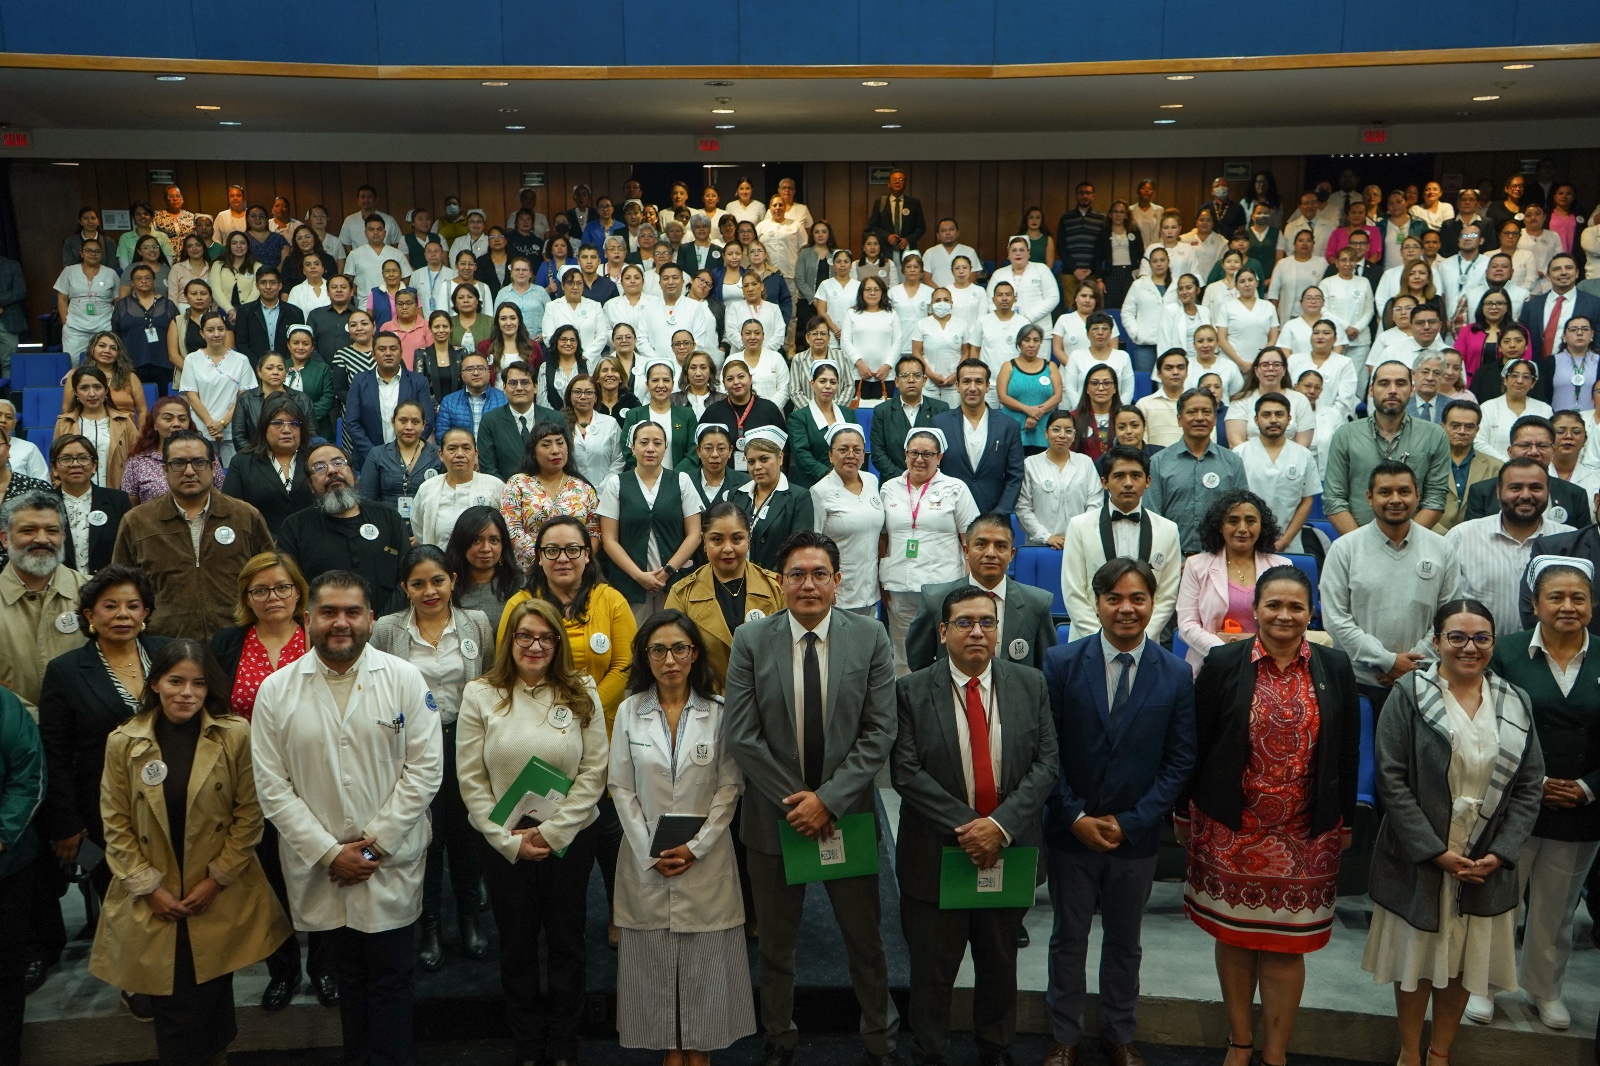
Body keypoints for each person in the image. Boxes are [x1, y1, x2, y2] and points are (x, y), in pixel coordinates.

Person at [724, 529, 900, 1066]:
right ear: (779, 583)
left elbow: (880, 731)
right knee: (777, 947)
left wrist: (830, 800)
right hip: (775, 819)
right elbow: (742, 733)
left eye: (819, 574)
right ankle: (779, 1038)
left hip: (846, 816)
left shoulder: (870, 636)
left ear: (838, 581)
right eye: (796, 575)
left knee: (866, 944)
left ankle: (882, 1041)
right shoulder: (751, 641)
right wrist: (801, 802)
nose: (808, 584)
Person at [251, 570, 441, 1065]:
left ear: (371, 619)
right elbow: (272, 788)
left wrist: (374, 845)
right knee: (348, 985)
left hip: (389, 863)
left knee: (393, 983)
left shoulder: (404, 679)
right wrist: (331, 853)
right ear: (308, 618)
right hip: (324, 868)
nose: (341, 623)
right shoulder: (276, 691)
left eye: (352, 612)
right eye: (329, 612)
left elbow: (425, 772)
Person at [1179, 565, 1360, 1066]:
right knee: (1236, 941)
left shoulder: (1334, 666)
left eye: (1295, 606)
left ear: (1310, 612)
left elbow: (1347, 749)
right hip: (1231, 828)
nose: (1284, 615)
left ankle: (1276, 1051)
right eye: (1273, 605)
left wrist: (1345, 820)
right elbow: (1196, 742)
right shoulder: (1223, 662)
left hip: (1306, 834)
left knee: (1287, 948)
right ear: (1254, 610)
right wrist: (1181, 811)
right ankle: (1240, 1041)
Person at [90, 637, 291, 1064]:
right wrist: (148, 887)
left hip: (215, 892)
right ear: (155, 683)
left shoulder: (234, 734)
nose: (187, 693)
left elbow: (249, 812)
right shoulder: (123, 742)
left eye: (198, 684)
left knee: (214, 998)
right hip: (156, 894)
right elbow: (116, 823)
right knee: (174, 1006)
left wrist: (218, 878)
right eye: (176, 681)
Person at [1364, 598, 1544, 1062]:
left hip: (1485, 860)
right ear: (1437, 640)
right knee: (1417, 966)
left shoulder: (1514, 700)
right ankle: (1409, 1053)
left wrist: (1502, 853)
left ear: (1493, 642)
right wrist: (1433, 850)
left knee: (1466, 964)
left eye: (1481, 637)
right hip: (1422, 856)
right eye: (1457, 637)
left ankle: (1440, 1053)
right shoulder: (1410, 693)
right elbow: (1391, 777)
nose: (1470, 647)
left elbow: (1528, 786)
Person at [892, 584, 1057, 1066]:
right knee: (932, 970)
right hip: (937, 852)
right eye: (964, 622)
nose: (977, 632)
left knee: (999, 963)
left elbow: (1046, 764)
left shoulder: (1031, 684)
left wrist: (999, 827)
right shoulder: (910, 690)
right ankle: (929, 1050)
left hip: (1007, 850)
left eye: (987, 622)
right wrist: (972, 827)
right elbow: (905, 771)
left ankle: (997, 1048)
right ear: (943, 632)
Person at [1041, 558, 1196, 1066]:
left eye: (1137, 599)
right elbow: (1048, 752)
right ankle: (1064, 1035)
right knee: (1069, 938)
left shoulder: (1174, 673)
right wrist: (1074, 816)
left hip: (1137, 836)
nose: (1126, 609)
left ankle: (1118, 1033)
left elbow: (1179, 761)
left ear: (1154, 604)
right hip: (1071, 832)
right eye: (1115, 598)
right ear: (1096, 602)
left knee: (1126, 942)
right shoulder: (1061, 663)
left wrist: (1132, 820)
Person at [456, 595, 607, 1064]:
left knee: (567, 944)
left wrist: (554, 833)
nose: (535, 646)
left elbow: (594, 769)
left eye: (546, 637)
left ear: (558, 643)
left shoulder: (581, 688)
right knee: (517, 946)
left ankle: (563, 1045)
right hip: (505, 845)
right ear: (510, 641)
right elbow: (470, 779)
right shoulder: (480, 693)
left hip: (570, 840)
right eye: (525, 636)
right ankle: (526, 1044)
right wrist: (507, 841)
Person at [609, 608, 757, 1061]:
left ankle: (699, 1053)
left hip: (706, 862)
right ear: (645, 656)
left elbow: (730, 786)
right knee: (654, 979)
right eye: (658, 650)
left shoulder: (719, 712)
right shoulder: (629, 712)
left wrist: (696, 847)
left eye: (679, 648)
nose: (669, 659)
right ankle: (670, 1052)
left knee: (705, 979)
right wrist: (651, 852)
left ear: (695, 654)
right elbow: (620, 786)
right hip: (645, 862)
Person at [205, 552, 335, 1009]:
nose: (273, 597)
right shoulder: (227, 643)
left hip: (317, 776)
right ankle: (282, 970)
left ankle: (323, 967)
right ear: (246, 597)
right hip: (251, 781)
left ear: (299, 592)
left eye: (282, 587)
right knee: (268, 879)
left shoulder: (320, 637)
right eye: (260, 590)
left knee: (321, 871)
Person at [371, 545, 491, 972]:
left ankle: (470, 920)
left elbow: (490, 683)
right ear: (404, 587)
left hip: (466, 743)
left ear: (453, 581)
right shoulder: (386, 629)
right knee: (426, 839)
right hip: (414, 748)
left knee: (467, 835)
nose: (429, 591)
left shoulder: (476, 624)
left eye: (437, 581)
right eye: (418, 583)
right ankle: (431, 928)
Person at [1322, 460, 1465, 710]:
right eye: (1385, 492)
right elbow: (1335, 619)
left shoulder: (1441, 548)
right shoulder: (1345, 549)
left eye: (1404, 491)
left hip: (1426, 681)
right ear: (1369, 497)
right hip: (1358, 684)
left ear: (1418, 496)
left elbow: (1450, 619)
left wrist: (1411, 666)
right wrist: (1387, 662)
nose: (1395, 499)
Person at [110, 430, 272, 640]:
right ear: (165, 470)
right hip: (164, 643)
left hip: (237, 640)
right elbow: (122, 588)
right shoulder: (137, 522)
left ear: (213, 468)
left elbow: (269, 577)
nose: (189, 471)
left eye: (198, 462)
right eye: (178, 463)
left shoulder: (245, 516)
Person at [904, 510, 1056, 673]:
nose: (990, 553)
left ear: (1012, 554)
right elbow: (918, 664)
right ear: (966, 551)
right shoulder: (935, 600)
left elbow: (1045, 671)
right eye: (981, 544)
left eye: (1001, 546)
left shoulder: (1037, 603)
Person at [1059, 447, 1182, 642]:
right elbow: (1073, 592)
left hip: (1145, 644)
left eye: (1136, 476)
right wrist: (1101, 640)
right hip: (1088, 642)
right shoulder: (1078, 526)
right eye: (1119, 476)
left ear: (1148, 481)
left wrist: (1141, 638)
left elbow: (1166, 595)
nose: (1128, 483)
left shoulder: (1168, 530)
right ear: (1104, 483)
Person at [1446, 458, 1573, 640]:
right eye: (1515, 488)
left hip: (1551, 656)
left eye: (1535, 488)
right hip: (1478, 655)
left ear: (1548, 491)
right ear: (1498, 491)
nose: (1525, 495)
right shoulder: (1463, 536)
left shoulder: (1570, 539)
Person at [277, 443, 409, 612]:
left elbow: (407, 577)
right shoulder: (295, 527)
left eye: (338, 462)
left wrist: (381, 624)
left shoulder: (388, 517)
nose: (331, 471)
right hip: (324, 631)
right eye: (319, 467)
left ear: (353, 473)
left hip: (388, 629)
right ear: (310, 485)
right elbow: (289, 587)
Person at [1324, 362, 1453, 532]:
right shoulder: (1346, 435)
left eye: (1400, 384)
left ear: (1412, 390)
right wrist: (1361, 545)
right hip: (1357, 543)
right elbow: (1333, 499)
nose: (1392, 390)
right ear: (1371, 390)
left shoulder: (1434, 435)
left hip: (1415, 542)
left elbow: (1435, 499)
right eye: (1384, 384)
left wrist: (1405, 542)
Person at [1175, 489, 1291, 675]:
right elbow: (1187, 625)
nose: (1243, 528)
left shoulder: (1282, 567)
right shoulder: (1196, 566)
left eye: (1251, 521)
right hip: (1212, 666)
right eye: (1233, 521)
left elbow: (1289, 622)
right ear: (1220, 526)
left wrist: (1258, 654)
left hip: (1269, 666)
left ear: (1262, 526)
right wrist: (1226, 654)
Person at [598, 420, 705, 622]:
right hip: (630, 585)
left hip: (674, 583)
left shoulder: (681, 481)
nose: (650, 449)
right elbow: (609, 540)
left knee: (675, 638)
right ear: (633, 447)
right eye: (644, 442)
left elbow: (694, 535)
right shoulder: (616, 484)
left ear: (665, 448)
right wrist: (639, 576)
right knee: (635, 645)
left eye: (657, 443)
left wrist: (667, 572)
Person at [1145, 388, 1247, 554]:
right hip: (1171, 561)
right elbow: (1152, 518)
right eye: (1192, 412)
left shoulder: (1232, 462)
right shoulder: (1158, 462)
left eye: (1206, 412)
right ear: (1179, 419)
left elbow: (1240, 514)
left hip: (1219, 559)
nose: (1200, 418)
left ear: (1214, 419)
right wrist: (1177, 560)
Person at [501, 419, 599, 574]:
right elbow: (512, 529)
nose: (555, 450)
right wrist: (546, 560)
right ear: (533, 452)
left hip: (574, 570)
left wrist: (577, 560)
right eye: (546, 445)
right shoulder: (518, 483)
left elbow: (593, 532)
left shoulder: (583, 488)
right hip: (530, 571)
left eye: (560, 443)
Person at [807, 422, 882, 617]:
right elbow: (814, 546)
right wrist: (825, 585)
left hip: (870, 587)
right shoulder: (820, 491)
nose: (851, 455)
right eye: (843, 449)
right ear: (830, 455)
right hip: (839, 591)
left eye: (857, 450)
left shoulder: (872, 482)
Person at [931, 359, 1025, 515]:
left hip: (993, 517)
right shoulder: (939, 423)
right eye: (966, 381)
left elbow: (1015, 475)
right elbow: (933, 472)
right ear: (957, 386)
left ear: (988, 386)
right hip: (948, 514)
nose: (972, 388)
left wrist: (1000, 512)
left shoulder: (1008, 426)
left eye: (979, 382)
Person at [1464, 415, 1591, 526]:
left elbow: (1583, 543)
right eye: (1525, 445)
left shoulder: (1575, 495)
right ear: (1510, 451)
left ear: (1553, 452)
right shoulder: (1482, 492)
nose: (1534, 452)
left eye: (1542, 445)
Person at [1233, 393, 1321, 553]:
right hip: (1247, 543)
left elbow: (1307, 501)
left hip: (1290, 544)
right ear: (1256, 420)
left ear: (1289, 419)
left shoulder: (1303, 455)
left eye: (1279, 414)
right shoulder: (1239, 454)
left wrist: (1284, 541)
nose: (1273, 420)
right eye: (1266, 415)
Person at [343, 331, 434, 473]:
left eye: (393, 349)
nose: (388, 353)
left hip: (411, 459)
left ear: (401, 352)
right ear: (373, 354)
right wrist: (375, 454)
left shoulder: (418, 382)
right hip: (368, 459)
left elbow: (427, 420)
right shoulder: (360, 381)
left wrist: (407, 449)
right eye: (382, 349)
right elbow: (352, 422)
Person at [1015, 411, 1102, 547]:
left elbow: (1095, 504)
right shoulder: (1030, 464)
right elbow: (1022, 507)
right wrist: (1046, 537)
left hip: (1079, 543)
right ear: (1046, 433)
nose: (1062, 435)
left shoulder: (1085, 463)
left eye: (1068, 431)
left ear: (1074, 436)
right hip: (1039, 545)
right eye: (1056, 430)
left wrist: (1078, 534)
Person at [178, 309, 253, 466]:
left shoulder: (241, 360)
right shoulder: (192, 359)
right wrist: (211, 425)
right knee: (202, 474)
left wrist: (223, 423)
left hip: (233, 429)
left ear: (227, 331)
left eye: (221, 329)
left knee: (233, 477)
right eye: (210, 330)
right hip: (201, 429)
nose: (216, 334)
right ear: (202, 333)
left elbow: (243, 397)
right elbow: (192, 396)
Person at [411, 428, 504, 550]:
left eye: (466, 448)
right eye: (452, 449)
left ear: (476, 454)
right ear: (441, 454)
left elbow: (504, 530)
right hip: (439, 563)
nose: (460, 454)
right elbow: (419, 528)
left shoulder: (495, 486)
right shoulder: (427, 489)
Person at [357, 398, 443, 528]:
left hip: (429, 527)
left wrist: (422, 533)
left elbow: (446, 499)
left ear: (424, 425)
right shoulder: (377, 454)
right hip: (386, 526)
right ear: (393, 422)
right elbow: (367, 501)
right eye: (403, 421)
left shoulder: (439, 455)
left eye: (415, 422)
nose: (409, 427)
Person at [118, 396, 222, 505]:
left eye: (182, 419)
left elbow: (222, 498)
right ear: (154, 424)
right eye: (168, 419)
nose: (176, 424)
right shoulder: (136, 463)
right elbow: (130, 508)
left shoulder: (206, 457)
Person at [477, 360, 563, 481]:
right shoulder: (490, 421)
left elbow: (564, 460)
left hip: (549, 491)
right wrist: (512, 491)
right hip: (506, 492)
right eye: (512, 383)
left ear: (535, 387)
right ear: (504, 388)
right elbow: (488, 467)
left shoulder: (556, 418)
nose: (519, 388)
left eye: (524, 382)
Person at [54, 364, 137, 489]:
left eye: (97, 387)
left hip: (116, 493)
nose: (92, 394)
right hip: (75, 493)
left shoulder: (124, 421)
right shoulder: (64, 423)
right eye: (84, 388)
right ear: (76, 392)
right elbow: (57, 461)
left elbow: (137, 460)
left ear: (106, 390)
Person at [442, 505, 520, 634]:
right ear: (461, 542)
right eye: (476, 540)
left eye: (494, 540)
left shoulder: (520, 587)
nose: (485, 548)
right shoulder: (445, 586)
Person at [870, 354, 950, 479]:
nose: (911, 380)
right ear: (896, 381)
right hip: (893, 483)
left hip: (931, 484)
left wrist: (926, 478)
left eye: (917, 376)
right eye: (905, 376)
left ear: (924, 380)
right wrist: (904, 479)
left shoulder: (940, 409)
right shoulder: (882, 411)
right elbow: (878, 454)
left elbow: (944, 452)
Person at [231, 351, 316, 454]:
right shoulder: (246, 399)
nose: (275, 372)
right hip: (256, 460)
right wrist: (256, 458)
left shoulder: (302, 399)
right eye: (269, 368)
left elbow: (311, 435)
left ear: (286, 373)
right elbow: (239, 437)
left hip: (295, 458)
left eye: (280, 368)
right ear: (259, 372)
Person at [54, 238, 120, 357]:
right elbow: (62, 299)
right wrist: (66, 323)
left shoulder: (111, 273)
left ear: (101, 254)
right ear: (81, 253)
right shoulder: (69, 271)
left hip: (104, 327)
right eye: (89, 250)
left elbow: (118, 301)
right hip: (75, 328)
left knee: (104, 363)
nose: (93, 254)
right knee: (73, 364)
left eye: (97, 251)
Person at [434, 350, 507, 439]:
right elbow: (442, 436)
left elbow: (509, 434)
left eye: (480, 368)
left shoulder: (504, 399)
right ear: (462, 376)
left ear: (489, 373)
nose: (476, 373)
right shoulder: (449, 402)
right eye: (470, 369)